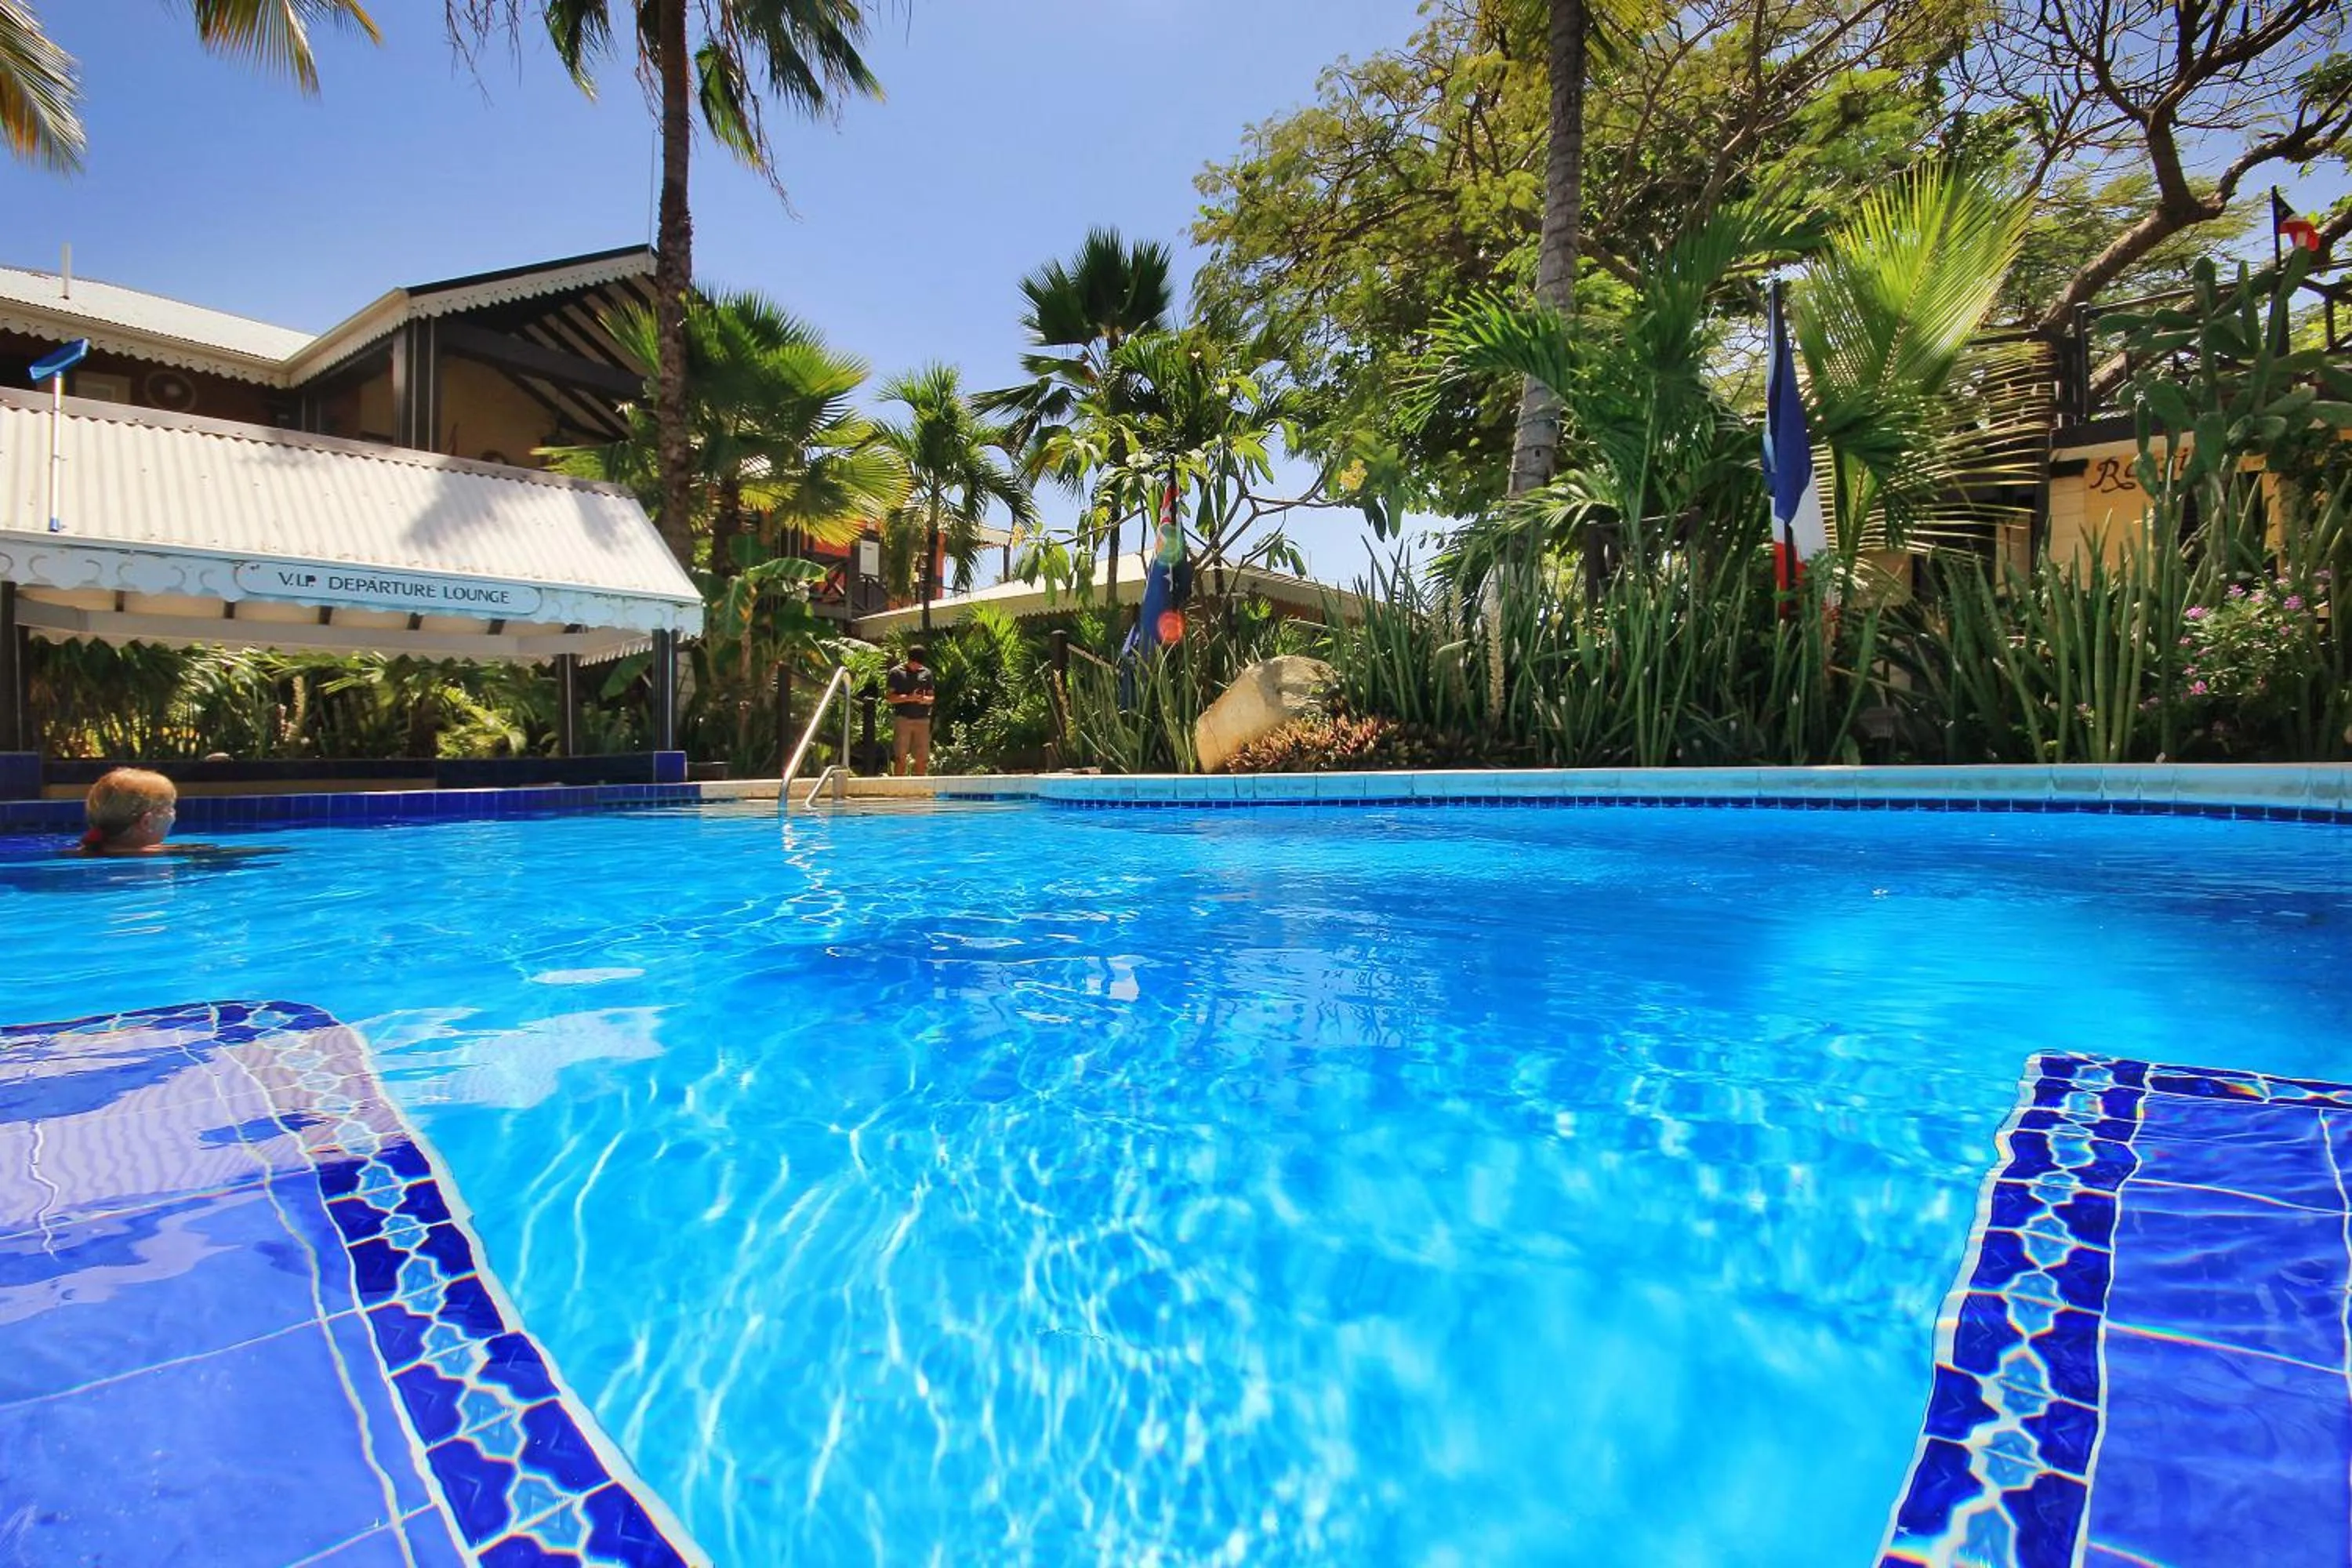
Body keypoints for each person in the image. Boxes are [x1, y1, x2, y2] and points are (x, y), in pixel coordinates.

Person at [79, 768, 178, 855]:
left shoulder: (86, 851)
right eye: (170, 808)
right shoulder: (154, 861)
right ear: (147, 822)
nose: (173, 813)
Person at [887, 645, 936, 777]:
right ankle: (898, 787)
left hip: (922, 720)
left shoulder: (926, 673)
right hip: (903, 719)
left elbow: (932, 697)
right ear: (909, 660)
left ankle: (919, 788)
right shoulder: (896, 673)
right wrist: (909, 698)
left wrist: (925, 700)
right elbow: (890, 698)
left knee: (922, 758)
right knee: (900, 756)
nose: (917, 667)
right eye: (915, 664)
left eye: (919, 664)